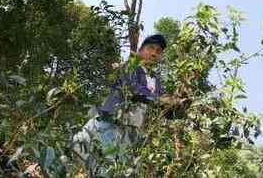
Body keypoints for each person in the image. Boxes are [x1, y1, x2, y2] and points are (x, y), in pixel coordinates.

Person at [70, 34, 181, 177]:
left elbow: (167, 109)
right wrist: (160, 100)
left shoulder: (156, 81)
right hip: (109, 122)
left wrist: (178, 103)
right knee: (77, 148)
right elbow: (133, 90)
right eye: (150, 48)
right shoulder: (131, 66)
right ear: (141, 51)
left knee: (110, 169)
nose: (154, 53)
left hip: (130, 132)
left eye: (158, 51)